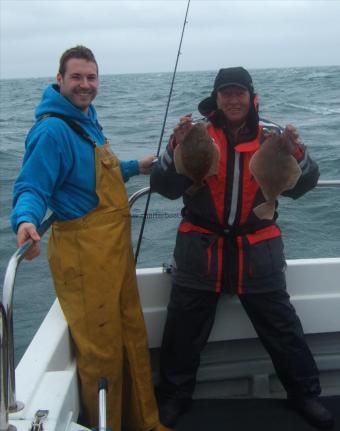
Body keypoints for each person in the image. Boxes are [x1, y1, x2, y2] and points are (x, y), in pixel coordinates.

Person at [150, 67, 334, 429]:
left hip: (257, 250)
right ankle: (174, 397)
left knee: (283, 330)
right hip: (201, 250)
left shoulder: (273, 135)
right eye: (226, 94)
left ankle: (305, 395)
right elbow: (164, 186)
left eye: (239, 93)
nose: (233, 100)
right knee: (182, 333)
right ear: (216, 99)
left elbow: (302, 185)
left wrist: (295, 150)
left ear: (251, 97)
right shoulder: (196, 132)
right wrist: (174, 147)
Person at [11, 46, 165, 431]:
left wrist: (134, 167)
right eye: (77, 77)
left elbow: (85, 178)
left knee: (131, 334)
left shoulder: (85, 121)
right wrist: (26, 221)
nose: (85, 85)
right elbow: (32, 185)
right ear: (59, 80)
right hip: (83, 259)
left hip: (113, 254)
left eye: (91, 77)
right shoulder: (51, 130)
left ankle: (144, 422)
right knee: (102, 356)